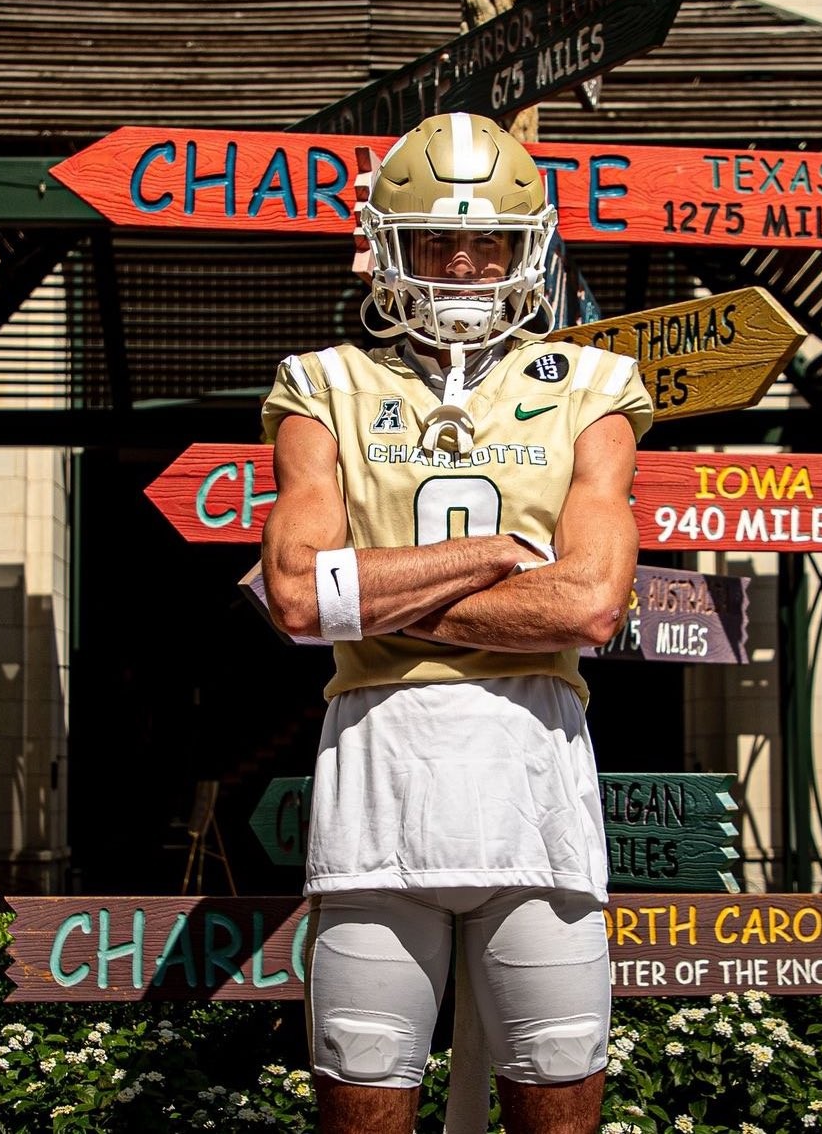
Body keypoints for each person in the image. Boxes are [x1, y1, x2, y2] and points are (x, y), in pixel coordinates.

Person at [260, 112, 653, 1134]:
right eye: (439, 239)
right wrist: (494, 555)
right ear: (388, 244)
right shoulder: (322, 383)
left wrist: (369, 602)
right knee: (362, 1086)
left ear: (531, 249)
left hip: (534, 784)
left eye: (491, 241)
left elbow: (589, 602)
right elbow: (296, 596)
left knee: (557, 1086)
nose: (468, 264)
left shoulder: (593, 385)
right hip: (376, 780)